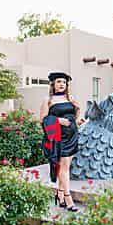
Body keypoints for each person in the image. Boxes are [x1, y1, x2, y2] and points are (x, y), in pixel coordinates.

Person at [39, 72, 82, 213]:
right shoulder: (48, 100)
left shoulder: (70, 98)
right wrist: (58, 120)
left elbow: (76, 119)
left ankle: (60, 194)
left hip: (72, 135)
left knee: (66, 166)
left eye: (64, 82)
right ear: (53, 84)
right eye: (58, 82)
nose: (61, 84)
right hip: (58, 137)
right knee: (63, 167)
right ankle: (68, 198)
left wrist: (78, 109)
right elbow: (42, 119)